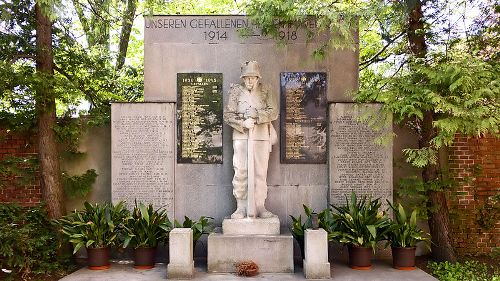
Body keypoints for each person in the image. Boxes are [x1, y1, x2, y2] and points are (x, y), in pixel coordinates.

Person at [224, 61, 278, 219]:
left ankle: (260, 206)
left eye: (253, 77)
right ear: (243, 78)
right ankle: (240, 206)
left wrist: (257, 115)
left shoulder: (266, 90)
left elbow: (273, 112)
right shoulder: (235, 92)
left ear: (257, 78)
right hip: (241, 136)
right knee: (240, 171)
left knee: (260, 173)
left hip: (261, 137)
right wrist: (242, 123)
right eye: (247, 77)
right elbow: (228, 115)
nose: (249, 81)